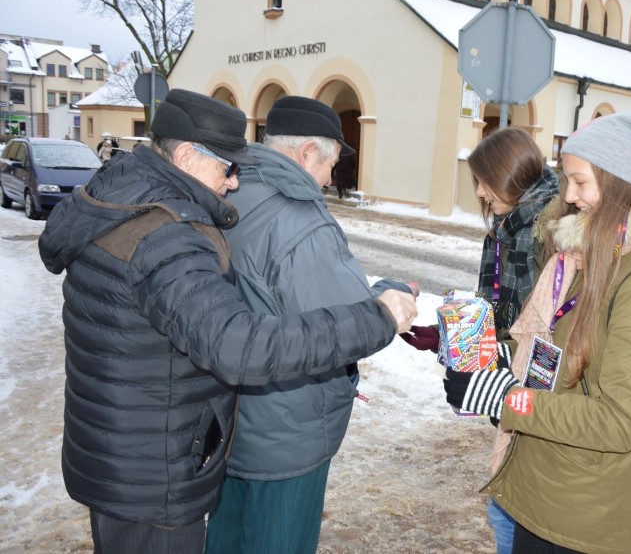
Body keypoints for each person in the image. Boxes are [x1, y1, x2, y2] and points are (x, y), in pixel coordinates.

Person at [37, 88, 417, 554]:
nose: (235, 183)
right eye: (226, 167)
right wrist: (377, 316)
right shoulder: (164, 234)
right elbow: (238, 346)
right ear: (186, 155)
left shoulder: (126, 198)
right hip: (152, 473)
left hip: (127, 450)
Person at [443, 113, 631, 553]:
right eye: (567, 180)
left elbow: (621, 421)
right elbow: (563, 354)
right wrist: (501, 361)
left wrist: (506, 399)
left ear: (619, 182)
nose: (568, 195)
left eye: (580, 183)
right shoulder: (593, 257)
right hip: (548, 487)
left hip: (585, 514)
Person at [203, 96, 412, 553]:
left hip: (229, 422)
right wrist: (393, 296)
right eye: (331, 164)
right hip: (287, 430)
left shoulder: (231, 191)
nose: (330, 177)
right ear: (306, 154)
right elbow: (344, 321)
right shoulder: (298, 217)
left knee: (226, 539)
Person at [401, 126, 559, 553]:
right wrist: (449, 338)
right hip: (508, 385)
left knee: (510, 514)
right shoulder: (509, 226)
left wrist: (494, 367)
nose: (481, 194)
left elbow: (543, 332)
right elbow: (497, 312)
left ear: (507, 175)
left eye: (484, 182)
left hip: (534, 393)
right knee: (504, 508)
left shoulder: (545, 232)